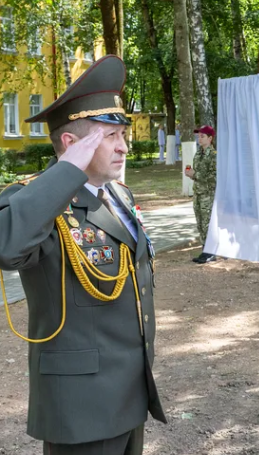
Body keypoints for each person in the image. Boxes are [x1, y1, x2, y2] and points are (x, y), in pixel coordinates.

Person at [0, 55, 166, 454]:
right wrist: (66, 172)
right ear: (71, 145)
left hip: (129, 390)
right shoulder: (34, 201)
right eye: (110, 136)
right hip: (81, 406)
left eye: (123, 134)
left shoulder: (118, 194)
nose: (124, 146)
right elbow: (7, 246)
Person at [185, 125, 217, 263]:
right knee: (200, 223)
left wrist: (195, 174)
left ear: (210, 138)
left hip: (208, 195)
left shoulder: (214, 155)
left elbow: (215, 177)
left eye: (202, 136)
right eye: (198, 136)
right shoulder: (198, 154)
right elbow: (199, 174)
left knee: (207, 224)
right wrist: (191, 174)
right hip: (198, 193)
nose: (200, 138)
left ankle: (211, 252)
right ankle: (205, 249)